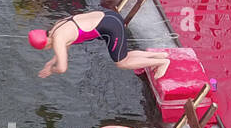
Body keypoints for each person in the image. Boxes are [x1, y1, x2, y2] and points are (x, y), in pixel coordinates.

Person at [29, 10, 172, 78]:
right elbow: (67, 43)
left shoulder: (58, 40)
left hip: (110, 27)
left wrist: (51, 70)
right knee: (123, 55)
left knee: (121, 62)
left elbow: (62, 68)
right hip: (109, 16)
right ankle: (158, 55)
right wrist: (51, 62)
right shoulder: (57, 27)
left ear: (45, 45)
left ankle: (162, 62)